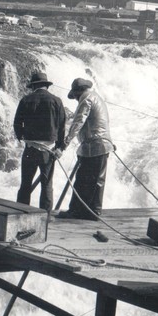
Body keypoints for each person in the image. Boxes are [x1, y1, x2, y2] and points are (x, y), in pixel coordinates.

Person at [58, 78, 115, 220]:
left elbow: (78, 121)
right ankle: (90, 211)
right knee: (92, 180)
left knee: (86, 180)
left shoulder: (86, 98)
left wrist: (66, 142)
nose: (76, 99)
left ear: (78, 91)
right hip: (100, 144)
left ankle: (83, 211)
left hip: (94, 145)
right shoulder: (96, 97)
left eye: (75, 96)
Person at [13, 70, 68, 210]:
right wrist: (60, 147)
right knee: (47, 185)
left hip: (30, 149)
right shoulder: (57, 101)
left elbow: (17, 123)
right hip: (48, 151)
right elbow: (62, 127)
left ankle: (21, 213)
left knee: (25, 184)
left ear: (33, 86)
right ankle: (46, 217)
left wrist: (21, 137)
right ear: (46, 85)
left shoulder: (26, 100)